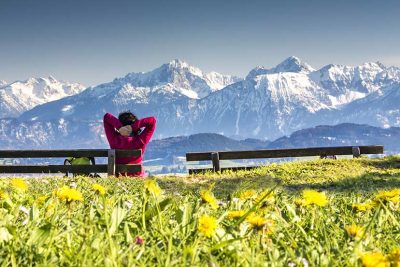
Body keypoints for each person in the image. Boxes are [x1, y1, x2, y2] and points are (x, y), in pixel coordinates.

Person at [103, 111, 156, 177]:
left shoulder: (114, 139)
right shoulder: (140, 140)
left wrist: (119, 127)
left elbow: (106, 117)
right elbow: (152, 120)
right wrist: (133, 127)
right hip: (137, 178)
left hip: (119, 178)